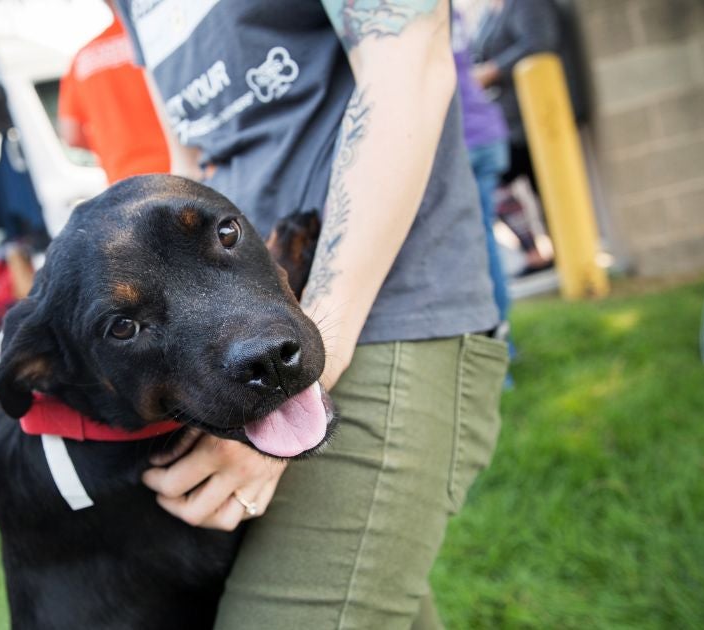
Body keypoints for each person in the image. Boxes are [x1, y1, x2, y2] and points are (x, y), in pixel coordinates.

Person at [114, 1, 510, 628]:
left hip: (385, 314)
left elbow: (409, 65)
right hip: (254, 335)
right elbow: (189, 159)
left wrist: (291, 383)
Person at [471, 0, 561, 273]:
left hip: (535, 113)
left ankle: (550, 252)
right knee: (506, 186)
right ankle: (535, 250)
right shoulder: (490, 11)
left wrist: (491, 71)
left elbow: (539, 42)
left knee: (541, 186)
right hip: (506, 119)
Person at [57, 1, 170, 184]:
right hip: (178, 169)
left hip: (123, 181)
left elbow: (71, 135)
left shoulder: (82, 59)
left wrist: (108, 147)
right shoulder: (157, 37)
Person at [454, 7, 512, 331]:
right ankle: (502, 344)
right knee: (484, 238)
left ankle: (496, 348)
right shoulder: (449, 11)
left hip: (459, 141)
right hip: (486, 131)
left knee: (473, 247)